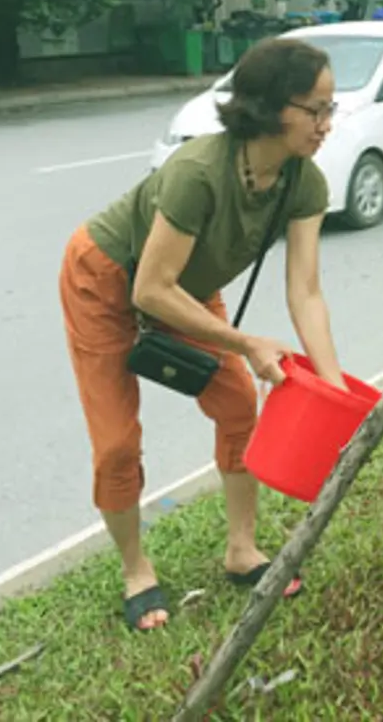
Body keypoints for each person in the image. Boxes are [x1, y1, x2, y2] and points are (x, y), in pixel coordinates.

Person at [60, 37, 349, 632]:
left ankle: (242, 550)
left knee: (240, 405)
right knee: (117, 443)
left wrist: (334, 389)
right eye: (314, 109)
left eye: (330, 108)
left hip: (182, 289)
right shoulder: (197, 172)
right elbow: (149, 291)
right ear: (269, 108)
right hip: (107, 279)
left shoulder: (304, 182)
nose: (326, 123)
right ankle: (137, 571)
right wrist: (246, 343)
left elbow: (306, 292)